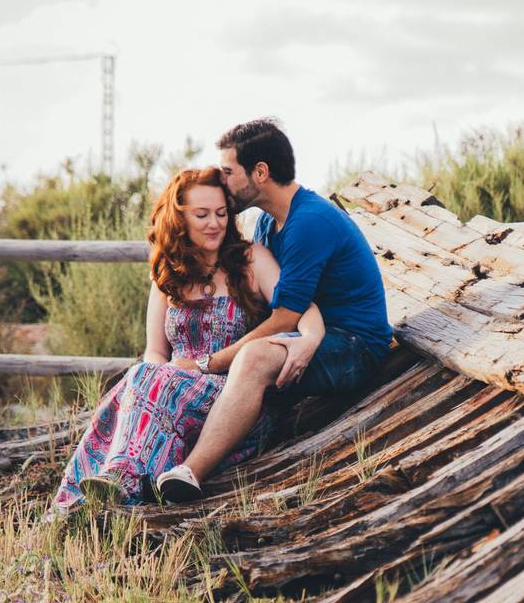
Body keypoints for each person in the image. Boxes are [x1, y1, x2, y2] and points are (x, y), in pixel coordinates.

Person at [51, 166, 325, 511]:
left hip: (231, 396)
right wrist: (152, 379)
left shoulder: (250, 259)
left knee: (150, 381)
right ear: (179, 218)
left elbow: (299, 306)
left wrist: (311, 337)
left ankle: (123, 480)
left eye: (222, 213)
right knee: (135, 381)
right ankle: (76, 504)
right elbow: (155, 351)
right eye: (202, 214)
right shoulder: (168, 273)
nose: (215, 223)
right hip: (171, 392)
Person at [156, 118, 393, 503]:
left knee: (251, 357)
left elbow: (284, 317)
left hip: (354, 347)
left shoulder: (309, 222)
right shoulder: (269, 221)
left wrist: (207, 363)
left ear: (260, 172)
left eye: (228, 171)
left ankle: (191, 473)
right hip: (313, 334)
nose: (221, 177)